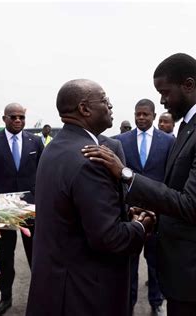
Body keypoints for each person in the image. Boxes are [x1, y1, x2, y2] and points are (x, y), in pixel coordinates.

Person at [84, 53, 196, 316]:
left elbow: (192, 204)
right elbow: (179, 192)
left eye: (165, 92)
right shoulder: (192, 126)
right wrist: (155, 216)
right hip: (184, 265)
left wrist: (125, 174)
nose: (162, 100)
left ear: (188, 85)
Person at [26, 79, 155, 316]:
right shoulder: (90, 159)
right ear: (84, 109)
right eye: (105, 101)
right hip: (84, 294)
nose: (111, 106)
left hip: (57, 285)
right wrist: (139, 226)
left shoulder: (55, 148)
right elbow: (109, 237)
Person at [0, 103, 44, 315]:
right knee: (6, 256)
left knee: (35, 254)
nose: (18, 121)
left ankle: (40, 298)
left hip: (30, 207)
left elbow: (43, 173)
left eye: (21, 118)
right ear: (5, 119)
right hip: (3, 208)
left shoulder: (35, 141)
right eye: (13, 117)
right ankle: (5, 297)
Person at [115, 98, 174, 316]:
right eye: (137, 114)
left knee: (156, 263)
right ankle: (127, 304)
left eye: (145, 114)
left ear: (154, 116)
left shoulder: (168, 142)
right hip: (128, 215)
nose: (141, 118)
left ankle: (156, 302)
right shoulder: (120, 141)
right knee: (128, 264)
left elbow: (170, 178)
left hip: (157, 215)